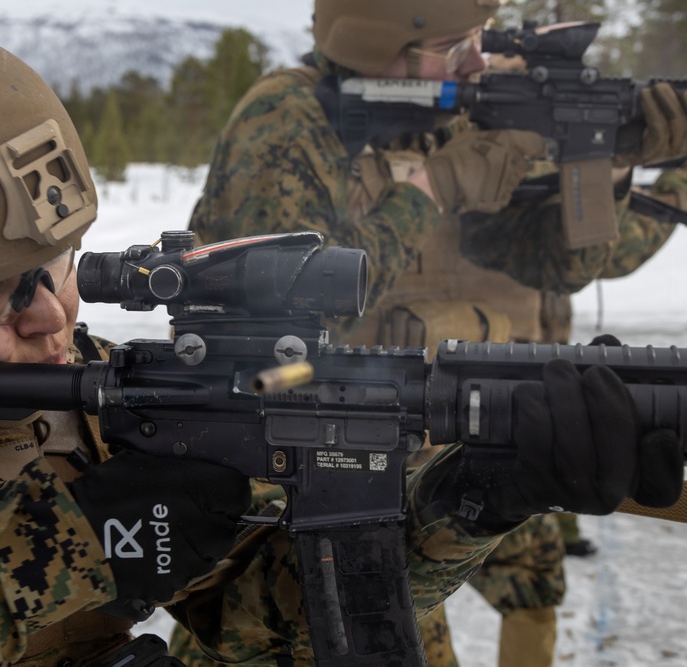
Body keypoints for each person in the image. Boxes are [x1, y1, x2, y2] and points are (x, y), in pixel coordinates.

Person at [0, 24, 681, 667]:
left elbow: (263, 626)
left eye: (61, 266)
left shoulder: (83, 401)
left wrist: (469, 499)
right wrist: (69, 548)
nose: (50, 318)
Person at [183, 1, 686, 666]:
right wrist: (430, 190)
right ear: (374, 44)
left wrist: (608, 157)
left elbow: (548, 265)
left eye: (477, 40)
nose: (477, 62)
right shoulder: (284, 120)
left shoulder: (437, 121)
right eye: (454, 48)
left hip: (406, 473)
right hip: (285, 474)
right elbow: (283, 320)